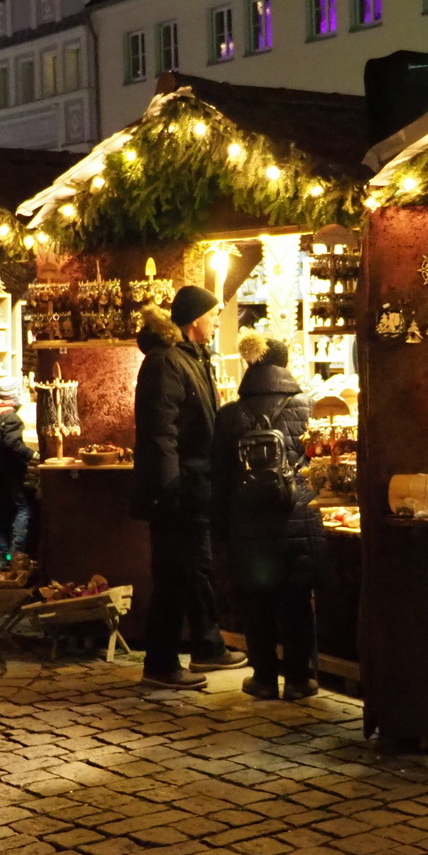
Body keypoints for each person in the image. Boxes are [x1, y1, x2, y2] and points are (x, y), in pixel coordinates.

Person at [132, 286, 247, 690]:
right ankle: (160, 664)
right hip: (178, 489)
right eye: (214, 315)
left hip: (197, 484)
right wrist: (171, 487)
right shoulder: (166, 363)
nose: (218, 322)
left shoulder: (193, 358)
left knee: (196, 568)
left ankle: (207, 646)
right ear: (196, 319)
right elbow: (160, 433)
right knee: (173, 573)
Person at [210, 333, 324, 700]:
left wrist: (221, 530)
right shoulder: (308, 408)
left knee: (256, 601)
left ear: (251, 365)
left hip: (248, 526)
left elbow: (219, 476)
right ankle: (297, 679)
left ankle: (263, 679)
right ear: (285, 364)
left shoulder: (229, 414)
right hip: (297, 520)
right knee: (296, 600)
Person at [0, 375, 36, 569]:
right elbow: (12, 445)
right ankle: (16, 556)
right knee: (22, 509)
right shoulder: (11, 418)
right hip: (10, 474)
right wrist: (34, 455)